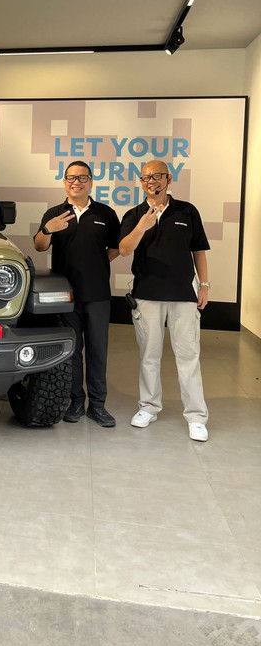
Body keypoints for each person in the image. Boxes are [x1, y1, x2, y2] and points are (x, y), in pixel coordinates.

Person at [118, 160, 210, 441]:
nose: (151, 182)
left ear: (169, 179)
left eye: (157, 176)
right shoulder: (134, 214)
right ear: (141, 182)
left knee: (188, 356)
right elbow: (123, 250)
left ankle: (196, 417)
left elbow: (199, 250)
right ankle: (148, 407)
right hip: (147, 295)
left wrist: (204, 285)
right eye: (146, 178)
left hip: (184, 294)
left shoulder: (187, 211)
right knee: (149, 355)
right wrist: (143, 226)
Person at [34, 160, 120, 427]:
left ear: (91, 182)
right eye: (71, 178)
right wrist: (49, 229)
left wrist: (98, 263)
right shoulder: (55, 213)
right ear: (64, 182)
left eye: (82, 178)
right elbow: (39, 246)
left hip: (97, 294)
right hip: (66, 295)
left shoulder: (105, 213)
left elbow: (116, 247)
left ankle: (97, 405)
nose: (77, 182)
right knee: (72, 351)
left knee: (97, 350)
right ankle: (74, 402)